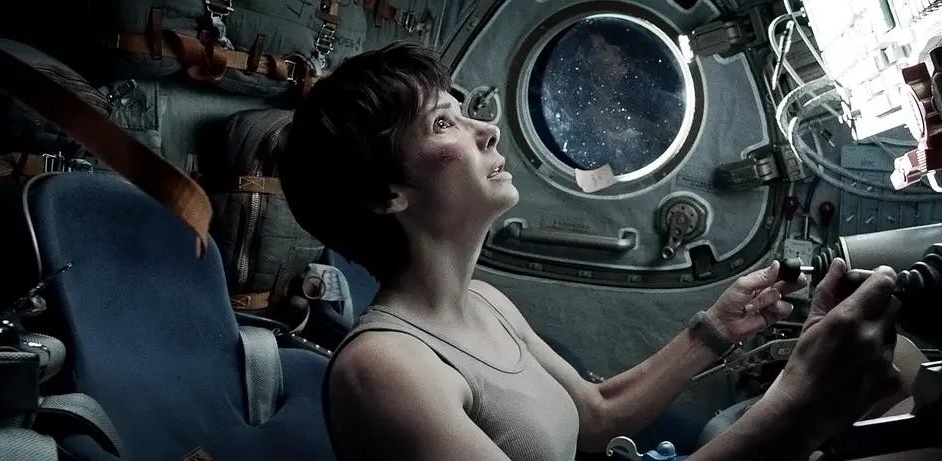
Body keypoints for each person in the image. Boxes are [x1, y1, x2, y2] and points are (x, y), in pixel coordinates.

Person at [281, 43, 904, 461]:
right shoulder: (385, 370)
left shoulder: (485, 303)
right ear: (385, 195)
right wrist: (800, 403)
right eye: (444, 123)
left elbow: (598, 415)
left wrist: (717, 328)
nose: (487, 129)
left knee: (901, 371)